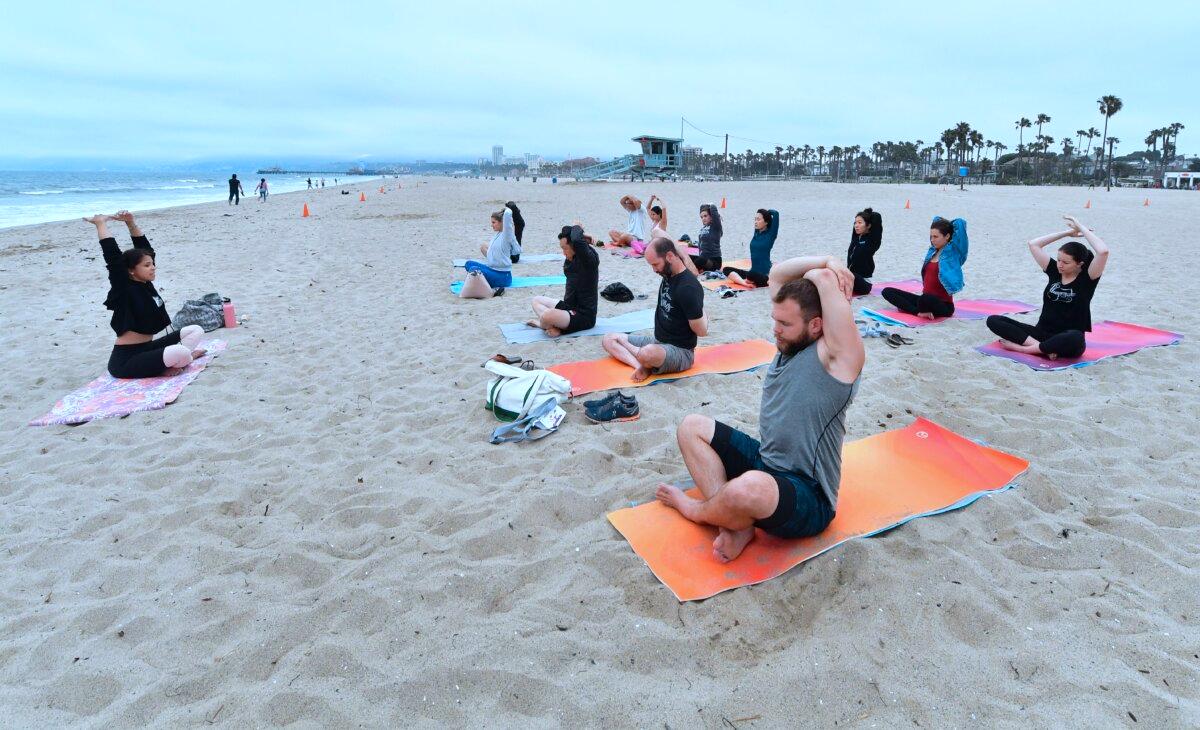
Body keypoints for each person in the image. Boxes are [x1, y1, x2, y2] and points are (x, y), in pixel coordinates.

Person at [655, 254, 864, 562]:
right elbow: (777, 273)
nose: (775, 330)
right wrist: (828, 259)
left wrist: (824, 275)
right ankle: (736, 525)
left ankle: (699, 511)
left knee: (749, 488)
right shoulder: (788, 344)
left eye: (784, 324)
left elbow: (826, 289)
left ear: (816, 325)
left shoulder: (837, 361)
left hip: (808, 493)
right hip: (764, 461)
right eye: (774, 320)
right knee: (691, 427)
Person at [85, 211, 205, 379]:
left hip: (148, 348)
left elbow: (146, 250)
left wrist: (130, 223)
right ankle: (178, 361)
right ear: (131, 271)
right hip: (126, 360)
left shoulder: (145, 284)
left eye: (152, 264)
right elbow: (112, 257)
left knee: (195, 330)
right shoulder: (124, 287)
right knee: (182, 352)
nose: (153, 267)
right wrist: (101, 224)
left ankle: (176, 360)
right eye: (147, 265)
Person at [986, 215, 1109, 359]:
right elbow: (1034, 244)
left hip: (1066, 340)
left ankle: (1025, 349)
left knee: (1075, 337)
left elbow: (1103, 251)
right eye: (1058, 260)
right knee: (994, 320)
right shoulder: (1055, 271)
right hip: (1042, 334)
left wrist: (1081, 226)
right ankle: (1040, 348)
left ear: (1080, 264)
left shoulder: (1088, 278)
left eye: (1066, 262)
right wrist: (1068, 233)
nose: (1060, 265)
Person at [602, 237, 707, 381]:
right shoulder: (669, 274)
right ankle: (640, 365)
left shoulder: (688, 288)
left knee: (647, 353)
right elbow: (658, 233)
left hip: (680, 352)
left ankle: (644, 360)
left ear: (670, 256)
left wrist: (702, 311)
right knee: (609, 339)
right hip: (657, 341)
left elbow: (702, 331)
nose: (654, 270)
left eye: (656, 264)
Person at [879, 217, 967, 319]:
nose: (932, 240)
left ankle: (915, 309)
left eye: (935, 236)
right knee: (887, 291)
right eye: (931, 237)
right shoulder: (932, 252)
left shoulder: (953, 256)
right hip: (924, 300)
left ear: (947, 236)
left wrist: (949, 225)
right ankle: (917, 312)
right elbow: (936, 220)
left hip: (943, 305)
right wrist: (938, 223)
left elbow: (960, 226)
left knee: (925, 299)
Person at [528, 224, 600, 336]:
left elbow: (576, 237)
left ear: (575, 246)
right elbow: (575, 237)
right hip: (568, 308)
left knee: (548, 315)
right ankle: (551, 325)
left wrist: (581, 231)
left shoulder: (589, 261)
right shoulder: (570, 259)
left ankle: (544, 325)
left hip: (583, 316)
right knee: (536, 300)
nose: (563, 253)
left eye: (565, 248)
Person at [464, 206, 519, 289]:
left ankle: (486, 287)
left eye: (494, 222)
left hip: (503, 277)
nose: (491, 225)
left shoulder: (506, 235)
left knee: (473, 269)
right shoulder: (498, 234)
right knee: (469, 264)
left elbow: (508, 213)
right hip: (492, 270)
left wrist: (506, 209)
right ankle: (481, 281)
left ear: (502, 223)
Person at [722, 209, 779, 288]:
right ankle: (745, 283)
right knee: (726, 269)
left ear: (766, 222)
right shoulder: (756, 233)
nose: (755, 222)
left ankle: (748, 280)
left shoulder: (771, 235)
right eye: (755, 219)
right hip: (752, 272)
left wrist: (767, 213)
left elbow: (776, 213)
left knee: (751, 274)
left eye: (758, 219)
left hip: (764, 276)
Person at [847, 207, 883, 296]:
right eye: (855, 223)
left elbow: (877, 217)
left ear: (868, 225)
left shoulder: (872, 242)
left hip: (864, 283)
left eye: (860, 223)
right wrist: (860, 218)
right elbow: (856, 227)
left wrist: (867, 213)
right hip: (850, 277)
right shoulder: (855, 238)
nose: (856, 225)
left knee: (846, 273)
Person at [689, 204, 723, 273]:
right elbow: (700, 246)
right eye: (701, 217)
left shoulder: (716, 226)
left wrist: (710, 205)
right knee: (688, 256)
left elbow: (713, 208)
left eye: (705, 216)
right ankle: (696, 270)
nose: (703, 218)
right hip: (704, 258)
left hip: (714, 262)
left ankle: (692, 273)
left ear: (711, 216)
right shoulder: (703, 229)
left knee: (700, 260)